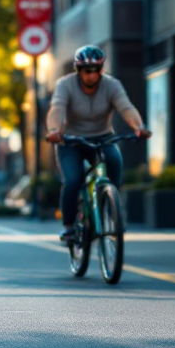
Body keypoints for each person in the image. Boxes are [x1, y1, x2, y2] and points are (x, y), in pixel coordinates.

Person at [45, 45, 151, 242]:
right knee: (73, 180)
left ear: (101, 69)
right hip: (70, 140)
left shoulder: (112, 85)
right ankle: (69, 226)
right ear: (78, 70)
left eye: (95, 70)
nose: (91, 75)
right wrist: (54, 131)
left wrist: (138, 127)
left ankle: (111, 208)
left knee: (115, 161)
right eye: (86, 70)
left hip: (103, 137)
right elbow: (57, 108)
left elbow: (126, 107)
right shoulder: (65, 84)